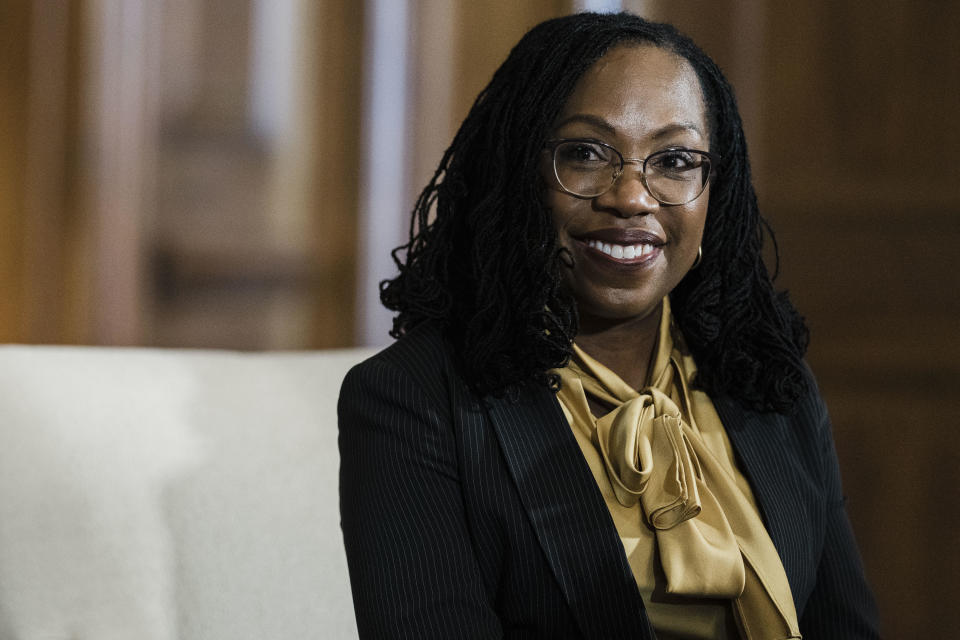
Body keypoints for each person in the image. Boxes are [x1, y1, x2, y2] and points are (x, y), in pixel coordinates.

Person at [338, 12, 879, 640]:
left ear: (714, 194)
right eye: (586, 153)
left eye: (675, 160)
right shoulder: (412, 399)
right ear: (518, 176)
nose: (632, 196)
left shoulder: (769, 383)